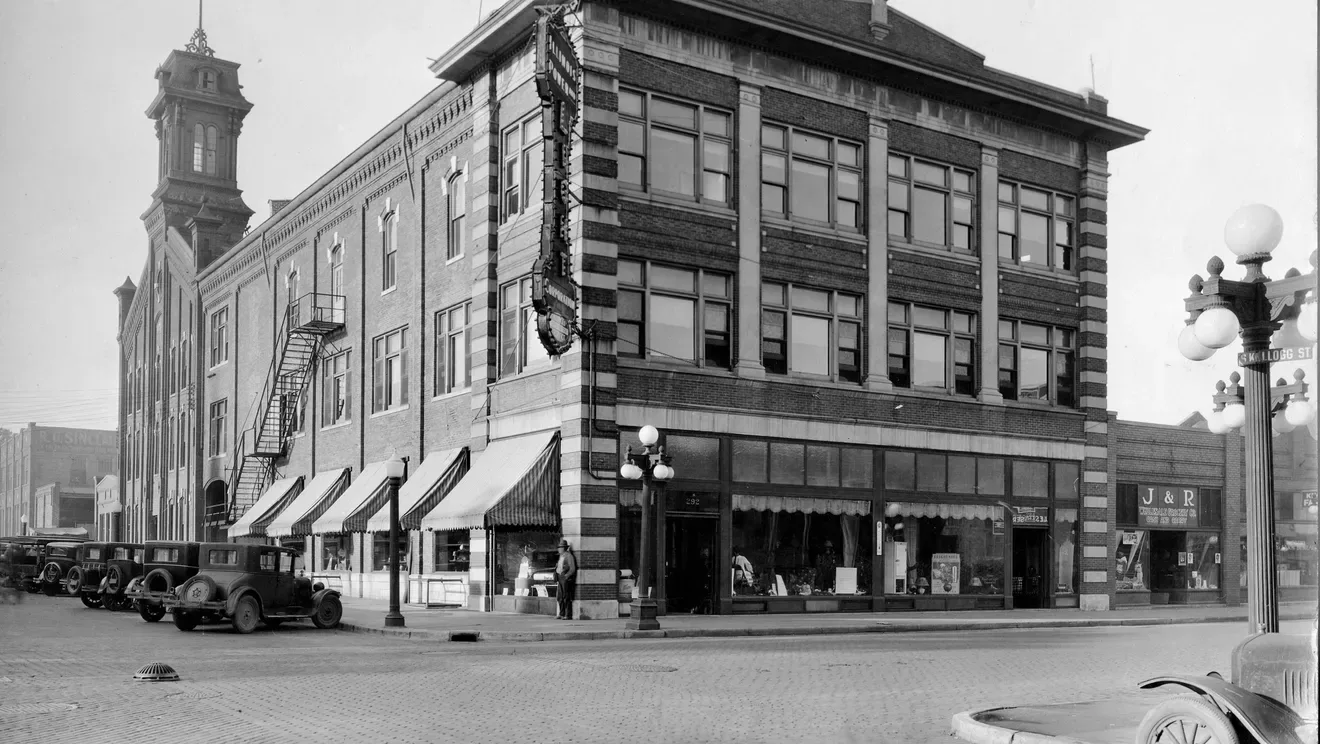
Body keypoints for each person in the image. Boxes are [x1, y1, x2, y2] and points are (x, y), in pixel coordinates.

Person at [554, 538, 577, 620]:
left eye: (560, 547)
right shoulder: (561, 556)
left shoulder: (569, 556)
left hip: (565, 578)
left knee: (566, 597)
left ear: (564, 548)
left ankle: (568, 614)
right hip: (560, 577)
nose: (559, 549)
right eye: (559, 547)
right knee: (560, 597)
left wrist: (566, 576)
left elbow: (572, 569)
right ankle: (562, 613)